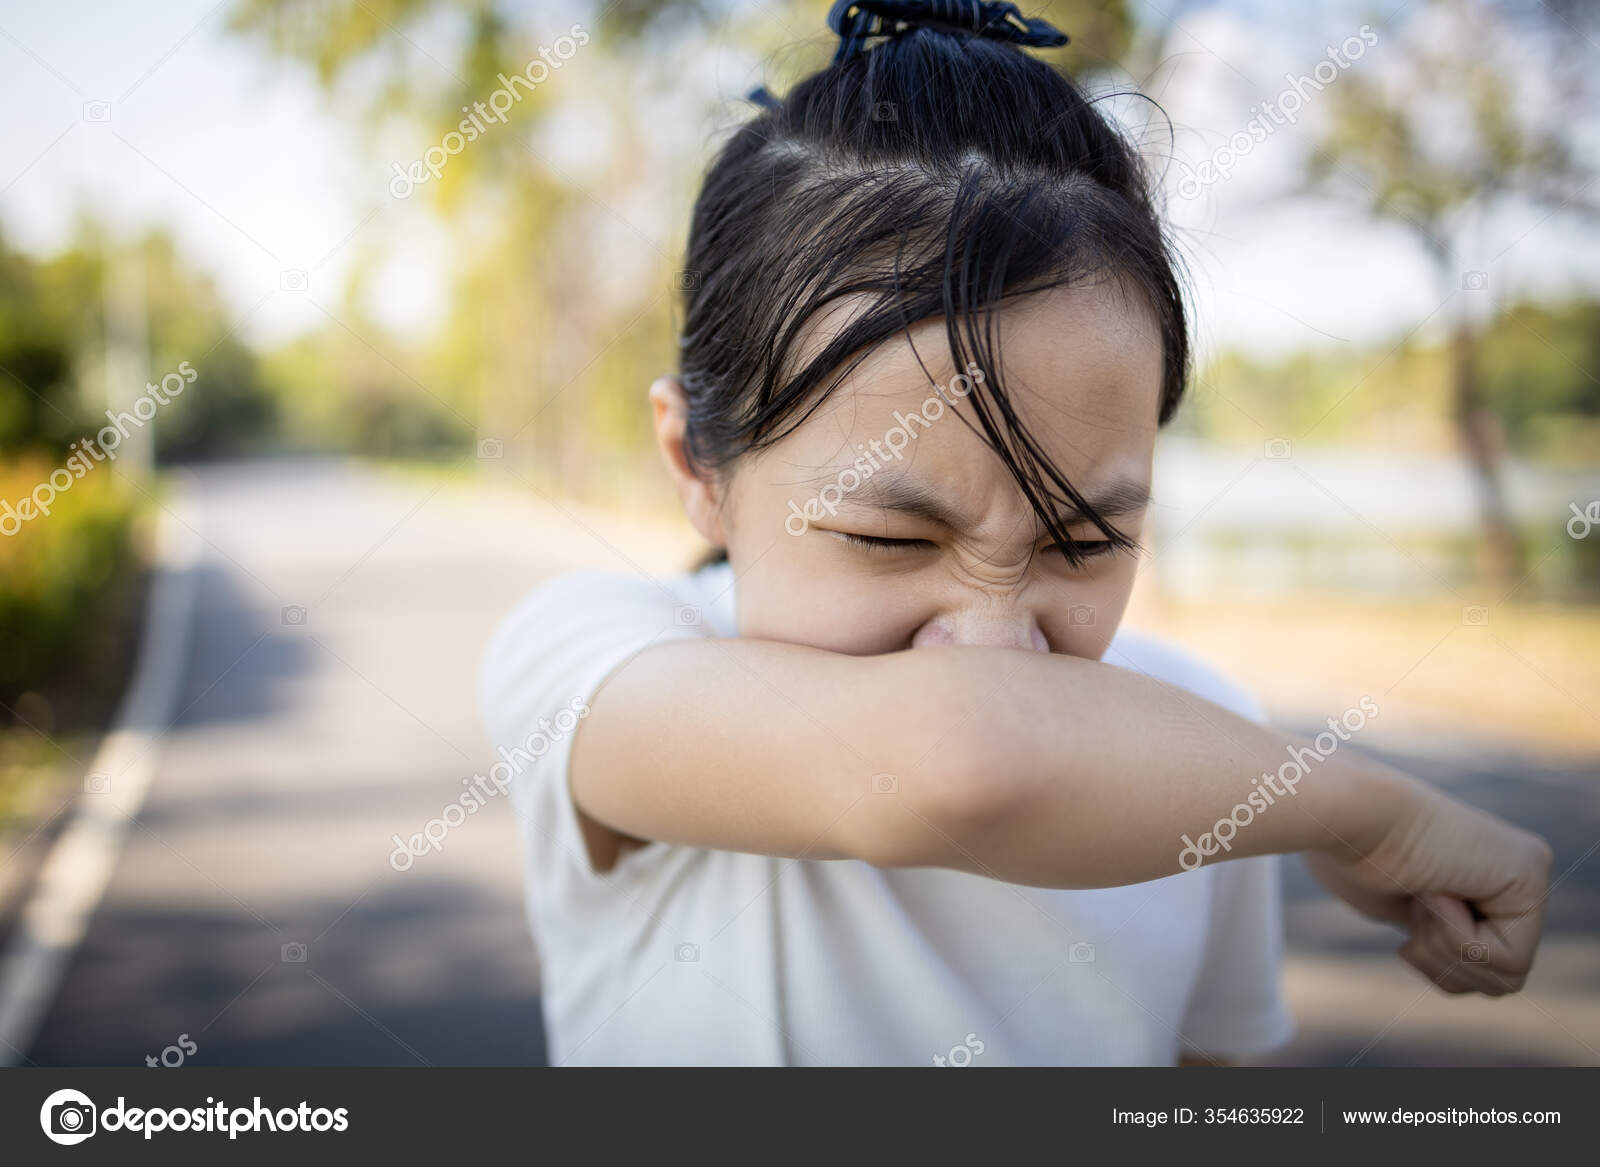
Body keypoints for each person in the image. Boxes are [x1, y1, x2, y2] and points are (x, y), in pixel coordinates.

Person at [479, 0, 1551, 1066]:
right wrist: (1367, 817)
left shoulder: (1210, 747)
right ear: (694, 465)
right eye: (892, 540)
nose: (995, 647)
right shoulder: (594, 660)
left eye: (1081, 545)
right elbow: (968, 758)